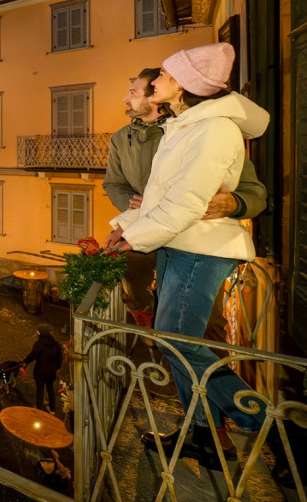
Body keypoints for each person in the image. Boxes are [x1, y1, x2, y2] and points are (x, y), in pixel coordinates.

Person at [105, 44, 273, 464]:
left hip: (199, 247)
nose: (153, 79)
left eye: (162, 74)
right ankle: (202, 433)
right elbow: (156, 197)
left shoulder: (212, 129)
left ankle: (274, 426)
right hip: (177, 244)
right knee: (175, 342)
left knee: (178, 342)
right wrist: (122, 228)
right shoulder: (184, 125)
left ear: (180, 85)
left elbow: (182, 203)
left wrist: (133, 238)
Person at [103, 66, 267, 321]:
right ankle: (147, 321)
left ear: (153, 97)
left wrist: (235, 203)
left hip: (195, 241)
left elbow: (255, 192)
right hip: (149, 232)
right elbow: (113, 183)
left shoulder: (196, 130)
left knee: (199, 327)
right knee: (163, 319)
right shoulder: (122, 139)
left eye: (133, 92)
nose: (125, 99)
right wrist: (130, 209)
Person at [22, 325, 63, 414]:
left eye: (38, 331)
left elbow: (32, 356)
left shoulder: (38, 345)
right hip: (51, 372)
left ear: (41, 333)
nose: (37, 332)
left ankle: (39, 408)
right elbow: (60, 358)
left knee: (40, 390)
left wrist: (24, 362)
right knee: (50, 389)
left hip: (40, 371)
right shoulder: (56, 344)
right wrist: (57, 368)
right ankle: (52, 409)